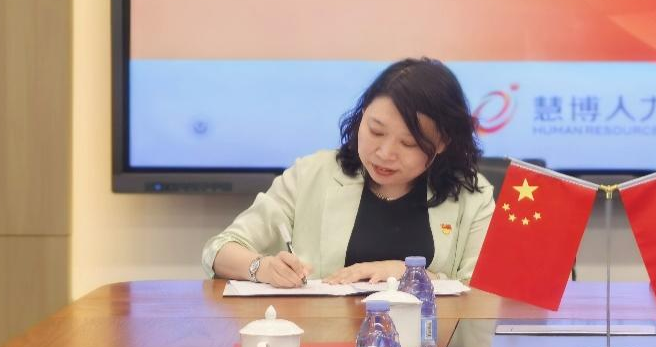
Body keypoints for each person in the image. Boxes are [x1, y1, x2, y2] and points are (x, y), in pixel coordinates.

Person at [201, 57, 495, 287]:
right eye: (375, 131)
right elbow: (219, 250)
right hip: (325, 339)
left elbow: (485, 293)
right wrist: (263, 268)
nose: (385, 153)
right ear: (361, 116)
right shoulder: (311, 174)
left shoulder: (472, 196)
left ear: (442, 142)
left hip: (433, 342)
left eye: (408, 143)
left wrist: (409, 273)